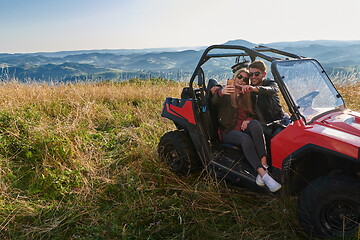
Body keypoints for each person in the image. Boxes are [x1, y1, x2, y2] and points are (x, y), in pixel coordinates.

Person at [212, 68, 281, 192]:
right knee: (245, 138)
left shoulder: (246, 95)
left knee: (255, 124)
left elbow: (252, 113)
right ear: (235, 77)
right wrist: (220, 92)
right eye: (239, 77)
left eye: (245, 79)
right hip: (228, 132)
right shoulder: (227, 91)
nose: (242, 80)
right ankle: (264, 175)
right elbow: (215, 100)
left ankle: (264, 164)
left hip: (242, 129)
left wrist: (248, 119)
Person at [240, 60, 288, 137]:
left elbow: (272, 89)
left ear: (264, 74)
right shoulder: (249, 89)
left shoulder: (270, 83)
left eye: (256, 74)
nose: (253, 77)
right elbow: (235, 86)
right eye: (251, 74)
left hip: (278, 121)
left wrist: (255, 89)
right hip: (264, 125)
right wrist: (218, 88)